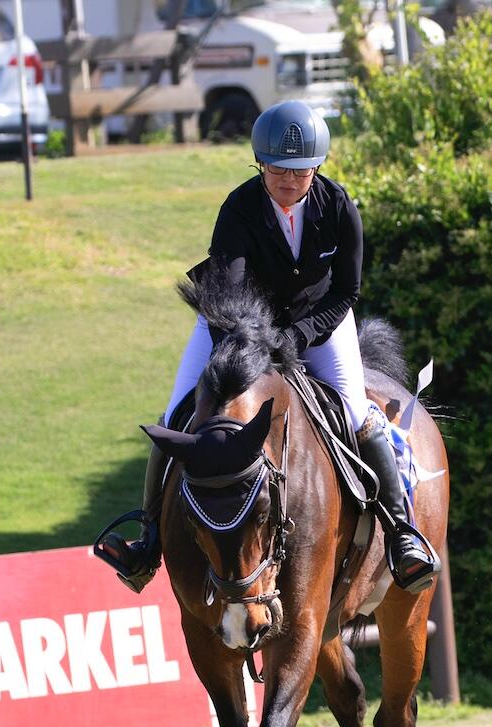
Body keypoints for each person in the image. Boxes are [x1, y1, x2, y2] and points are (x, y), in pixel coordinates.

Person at [103, 100, 439, 594]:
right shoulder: (239, 209)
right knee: (178, 415)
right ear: (261, 165)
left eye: (300, 171)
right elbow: (232, 292)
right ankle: (147, 540)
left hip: (320, 322)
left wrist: (300, 337)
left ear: (316, 168)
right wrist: (260, 345)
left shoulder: (339, 207)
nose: (288, 180)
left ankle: (400, 533)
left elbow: (346, 291)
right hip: (234, 322)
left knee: (356, 415)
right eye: (278, 169)